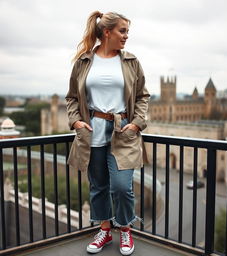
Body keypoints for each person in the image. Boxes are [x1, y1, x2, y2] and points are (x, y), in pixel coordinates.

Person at [65, 10, 150, 255]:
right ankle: (104, 229)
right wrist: (76, 122)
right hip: (92, 134)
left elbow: (143, 96)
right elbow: (72, 98)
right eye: (122, 31)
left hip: (123, 131)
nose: (126, 36)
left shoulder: (131, 61)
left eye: (127, 32)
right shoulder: (83, 62)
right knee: (98, 186)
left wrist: (136, 123)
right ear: (107, 32)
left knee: (122, 187)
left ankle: (124, 229)